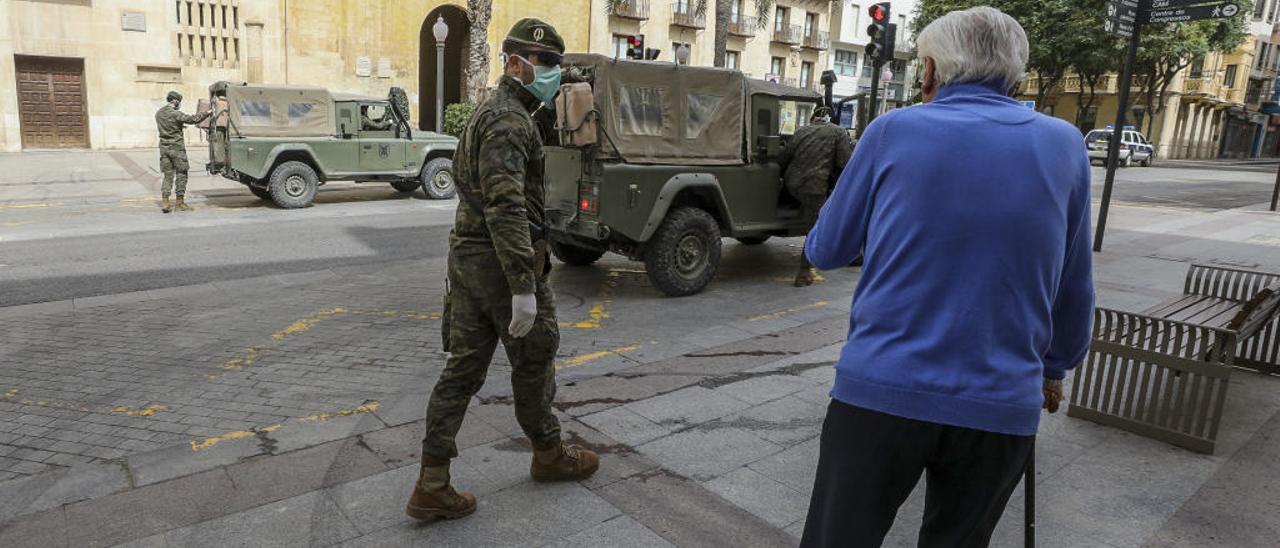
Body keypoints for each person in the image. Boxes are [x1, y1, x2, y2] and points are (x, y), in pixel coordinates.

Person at [798, 7, 1094, 547]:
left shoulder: (892, 131)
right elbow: (1074, 278)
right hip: (1001, 401)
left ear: (929, 70)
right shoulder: (1065, 144)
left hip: (880, 394)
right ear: (1015, 73)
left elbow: (827, 250)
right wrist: (1055, 366)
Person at [405, 18, 598, 523]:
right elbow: (505, 206)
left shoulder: (491, 113)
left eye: (557, 63)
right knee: (534, 360)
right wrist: (522, 288)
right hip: (500, 263)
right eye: (546, 62)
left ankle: (432, 482)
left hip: (468, 260)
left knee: (462, 370)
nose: (554, 71)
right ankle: (549, 455)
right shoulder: (510, 121)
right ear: (515, 62)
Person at [777, 105, 854, 287]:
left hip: (792, 184)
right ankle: (804, 271)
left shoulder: (801, 130)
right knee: (815, 226)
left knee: (807, 207)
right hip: (813, 187)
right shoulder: (838, 132)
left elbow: (783, 159)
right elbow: (845, 163)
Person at [155, 91, 210, 213]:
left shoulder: (158, 113)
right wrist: (207, 113)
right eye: (179, 102)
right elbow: (192, 119)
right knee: (182, 173)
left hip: (164, 148)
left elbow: (168, 126)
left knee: (167, 175)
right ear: (175, 101)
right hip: (177, 149)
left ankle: (165, 202)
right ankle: (179, 203)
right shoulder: (175, 114)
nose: (179, 105)